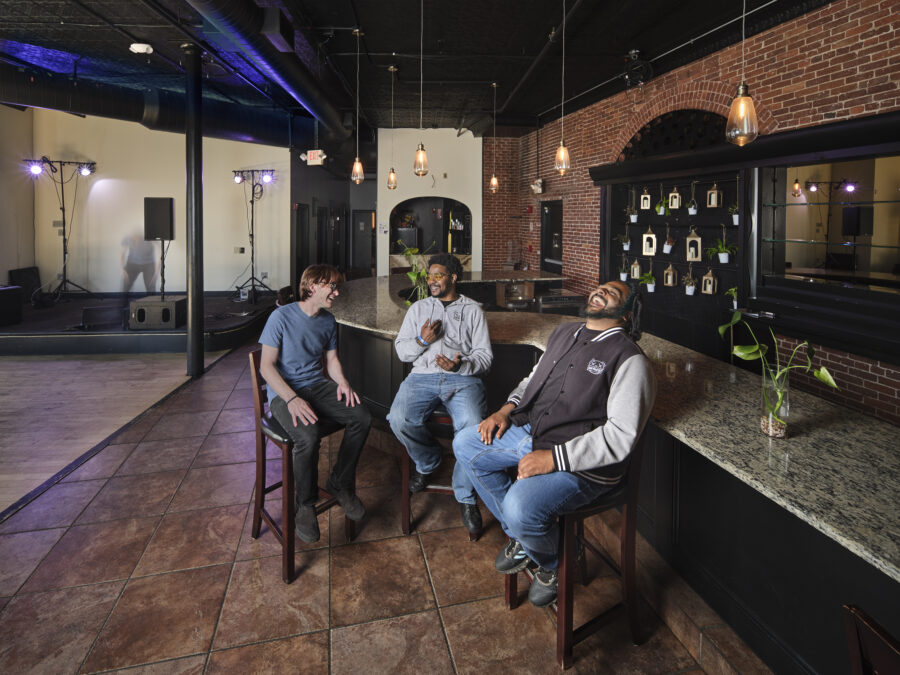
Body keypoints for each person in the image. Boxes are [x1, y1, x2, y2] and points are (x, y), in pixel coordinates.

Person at [454, 280, 656, 606]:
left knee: (519, 507)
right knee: (466, 443)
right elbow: (532, 381)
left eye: (613, 293)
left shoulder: (631, 360)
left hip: (581, 465)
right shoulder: (564, 333)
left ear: (627, 315)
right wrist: (506, 410)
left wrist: (553, 458)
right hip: (535, 434)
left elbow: (621, 436)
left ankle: (555, 560)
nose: (601, 292)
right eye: (601, 287)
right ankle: (525, 538)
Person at [258, 264, 371, 542]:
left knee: (362, 417)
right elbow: (266, 367)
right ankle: (305, 504)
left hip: (317, 386)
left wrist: (342, 382)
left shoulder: (328, 321)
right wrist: (291, 398)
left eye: (337, 286)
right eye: (332, 286)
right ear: (312, 286)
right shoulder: (280, 317)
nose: (337, 292)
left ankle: (339, 483)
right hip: (284, 393)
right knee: (308, 437)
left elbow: (331, 360)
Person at [389, 253, 493, 537]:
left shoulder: (473, 310)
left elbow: (485, 357)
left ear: (453, 278)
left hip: (463, 380)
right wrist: (422, 340)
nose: (431, 281)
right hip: (422, 377)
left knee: (472, 429)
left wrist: (461, 365)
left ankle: (465, 495)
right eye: (429, 276)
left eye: (438, 276)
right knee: (398, 419)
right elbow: (402, 352)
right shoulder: (418, 309)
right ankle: (428, 461)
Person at [121, 230, 160, 295]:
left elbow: (160, 250)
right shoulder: (128, 238)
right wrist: (123, 270)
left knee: (151, 288)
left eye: (139, 240)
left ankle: (152, 300)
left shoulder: (149, 237)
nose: (137, 242)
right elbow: (122, 254)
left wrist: (157, 271)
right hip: (132, 263)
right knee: (125, 287)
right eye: (135, 240)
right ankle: (123, 300)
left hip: (148, 264)